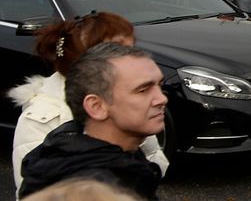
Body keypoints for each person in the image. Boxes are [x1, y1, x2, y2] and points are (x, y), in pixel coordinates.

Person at [9, 14, 168, 192]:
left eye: (132, 47)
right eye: (115, 50)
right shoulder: (41, 118)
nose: (132, 57)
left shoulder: (128, 108)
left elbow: (154, 163)